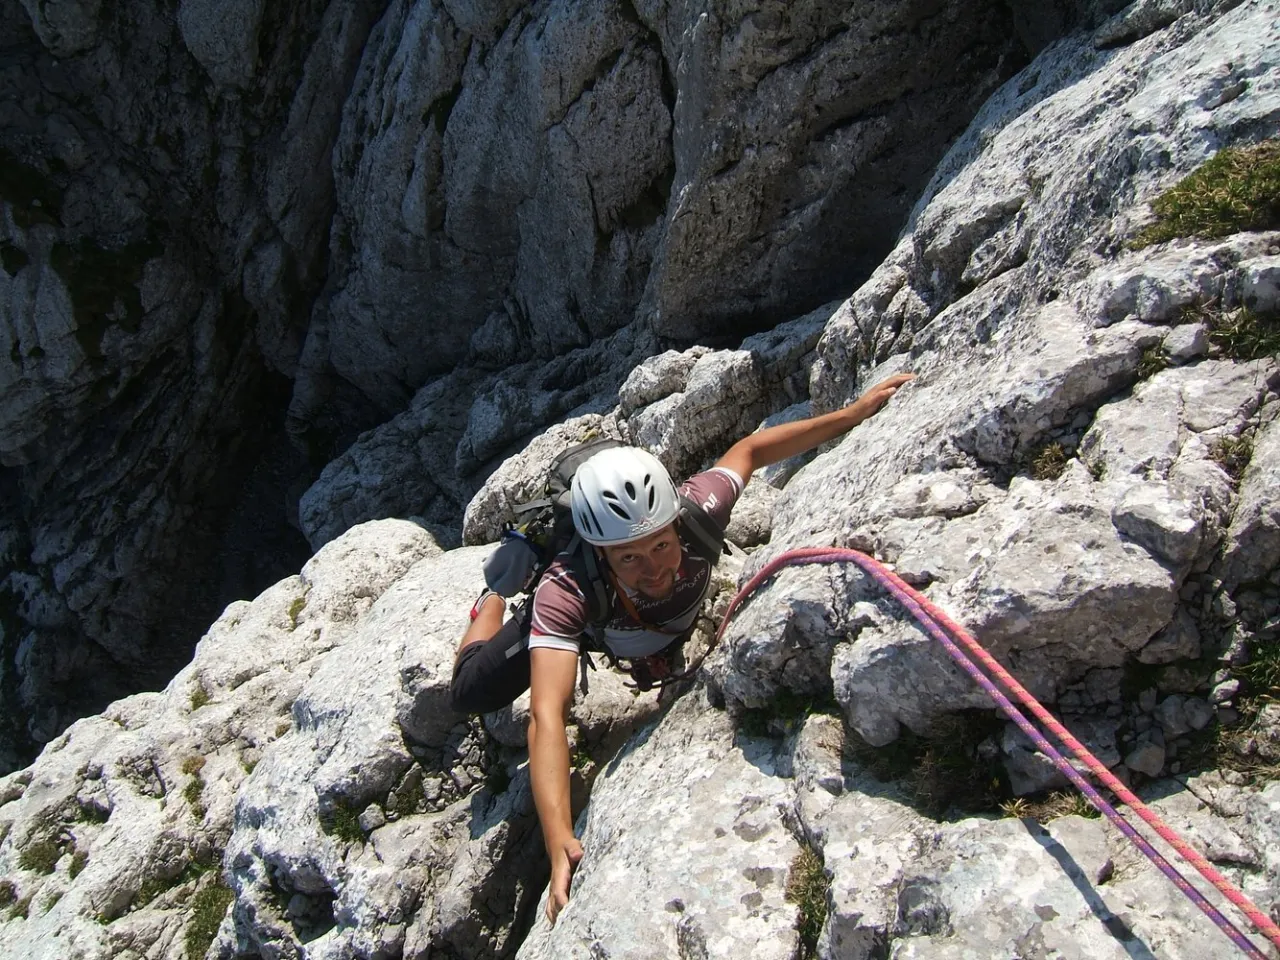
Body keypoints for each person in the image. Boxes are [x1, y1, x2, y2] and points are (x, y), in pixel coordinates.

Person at [450, 373, 914, 925]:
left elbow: (750, 449)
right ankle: (487, 608)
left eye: (662, 546)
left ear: (673, 524)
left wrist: (851, 415)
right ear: (602, 556)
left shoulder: (696, 510)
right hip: (578, 618)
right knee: (469, 692)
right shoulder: (567, 589)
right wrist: (559, 840)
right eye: (630, 559)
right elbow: (548, 716)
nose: (657, 568)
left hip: (645, 627)